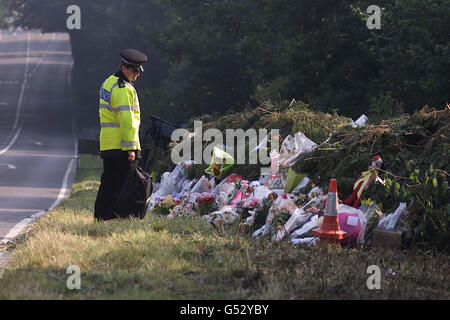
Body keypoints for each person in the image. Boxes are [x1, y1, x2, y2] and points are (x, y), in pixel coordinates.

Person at [94, 49, 148, 221]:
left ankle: (102, 217)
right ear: (124, 68)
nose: (138, 74)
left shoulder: (109, 82)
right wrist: (131, 148)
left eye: (139, 70)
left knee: (108, 183)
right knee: (124, 184)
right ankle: (117, 217)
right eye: (135, 70)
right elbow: (127, 121)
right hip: (122, 145)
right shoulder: (123, 89)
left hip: (109, 144)